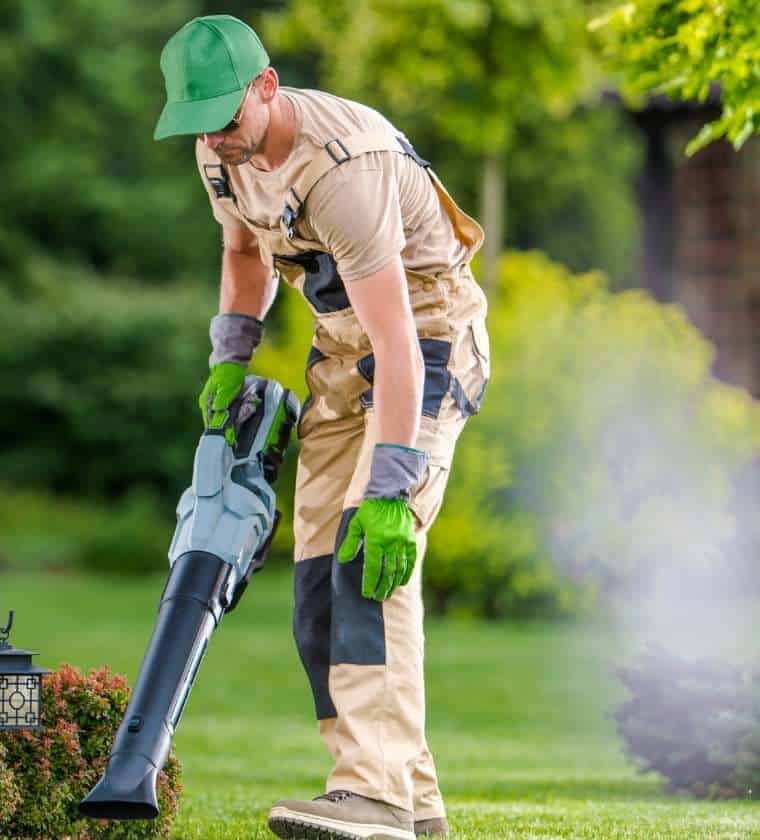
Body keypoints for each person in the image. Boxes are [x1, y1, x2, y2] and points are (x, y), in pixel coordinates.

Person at [154, 14, 492, 840]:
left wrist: (391, 484)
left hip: (424, 341)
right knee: (315, 589)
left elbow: (401, 343)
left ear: (266, 86)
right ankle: (410, 806)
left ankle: (370, 791)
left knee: (366, 562)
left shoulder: (345, 167)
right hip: (339, 353)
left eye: (228, 120)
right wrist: (230, 355)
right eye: (199, 126)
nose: (217, 142)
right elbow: (242, 254)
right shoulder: (219, 148)